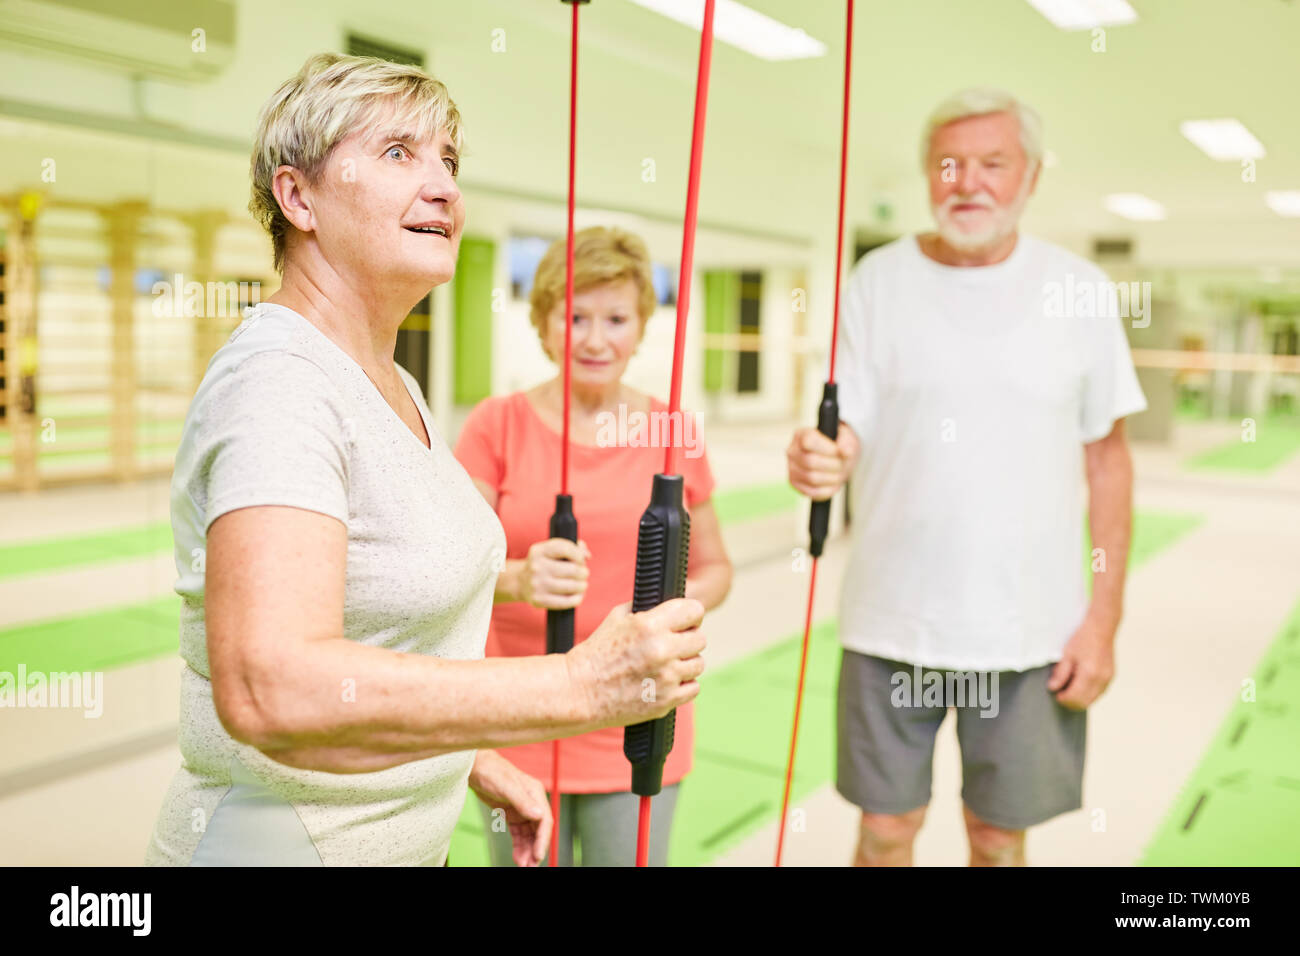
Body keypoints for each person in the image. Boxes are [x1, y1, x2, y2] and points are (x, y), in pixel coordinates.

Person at [145, 53, 707, 867]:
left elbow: (383, 627)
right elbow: (273, 684)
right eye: (398, 153)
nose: (444, 184)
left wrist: (465, 754)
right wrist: (579, 687)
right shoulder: (278, 384)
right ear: (297, 196)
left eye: (449, 159)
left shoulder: (389, 381)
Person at [787, 88, 1147, 866]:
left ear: (1031, 177)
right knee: (885, 832)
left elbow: (1109, 459)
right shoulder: (876, 281)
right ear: (926, 173)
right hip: (890, 622)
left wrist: (1103, 619)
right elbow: (847, 427)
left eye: (993, 163)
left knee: (996, 837)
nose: (968, 182)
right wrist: (824, 457)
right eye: (949, 164)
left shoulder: (1080, 290)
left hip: (1032, 631)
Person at [455, 226, 732, 866]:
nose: (595, 338)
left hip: (637, 718)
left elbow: (716, 568)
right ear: (545, 320)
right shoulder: (496, 425)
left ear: (640, 328)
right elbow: (452, 571)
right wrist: (519, 577)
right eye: (575, 316)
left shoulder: (673, 433)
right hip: (516, 716)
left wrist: (674, 614)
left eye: (616, 318)